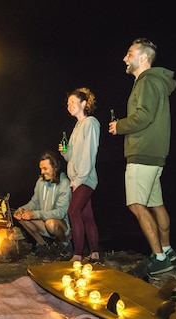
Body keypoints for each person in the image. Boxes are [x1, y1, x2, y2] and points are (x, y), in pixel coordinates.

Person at [108, 38, 176, 275]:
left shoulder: (147, 81)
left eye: (129, 54)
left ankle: (159, 258)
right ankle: (167, 249)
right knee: (155, 203)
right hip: (155, 153)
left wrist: (119, 126)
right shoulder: (156, 82)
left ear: (143, 58)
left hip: (143, 152)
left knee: (136, 204)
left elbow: (144, 116)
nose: (124, 58)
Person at [59, 88, 101, 263]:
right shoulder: (77, 126)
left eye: (73, 102)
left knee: (73, 211)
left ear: (83, 104)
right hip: (77, 178)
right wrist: (65, 152)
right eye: (68, 103)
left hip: (84, 178)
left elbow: (89, 154)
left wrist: (79, 180)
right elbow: (72, 157)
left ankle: (77, 254)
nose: (69, 106)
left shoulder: (90, 122)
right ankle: (94, 253)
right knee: (86, 215)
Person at [13, 151, 72, 256]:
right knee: (22, 217)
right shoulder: (41, 181)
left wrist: (35, 214)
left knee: (51, 223)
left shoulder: (64, 183)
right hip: (43, 222)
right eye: (41, 169)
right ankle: (44, 246)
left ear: (55, 168)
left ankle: (65, 245)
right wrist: (22, 209)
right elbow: (34, 202)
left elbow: (61, 212)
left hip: (60, 225)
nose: (42, 172)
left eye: (45, 169)